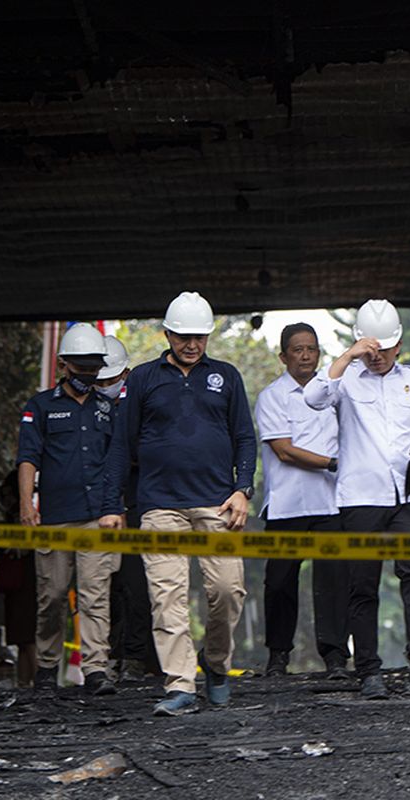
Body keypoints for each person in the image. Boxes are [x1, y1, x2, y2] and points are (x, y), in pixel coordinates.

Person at [100, 292, 255, 716]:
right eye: (184, 336)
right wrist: (113, 504)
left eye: (199, 337)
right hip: (159, 505)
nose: (192, 344)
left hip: (218, 503)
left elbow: (244, 437)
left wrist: (243, 488)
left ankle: (217, 665)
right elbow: (120, 445)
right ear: (167, 334)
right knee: (167, 596)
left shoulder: (226, 376)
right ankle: (181, 684)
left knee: (227, 590)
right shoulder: (145, 379)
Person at [304, 299, 410, 699]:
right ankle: (369, 670)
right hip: (361, 497)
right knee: (362, 584)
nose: (378, 357)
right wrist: (348, 356)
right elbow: (314, 397)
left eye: (385, 349)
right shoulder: (347, 379)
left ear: (399, 344)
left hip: (408, 495)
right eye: (371, 349)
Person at [16, 322, 119, 696]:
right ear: (63, 365)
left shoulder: (108, 410)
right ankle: (47, 667)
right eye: (80, 367)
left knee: (95, 595)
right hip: (55, 517)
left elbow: (115, 463)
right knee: (53, 595)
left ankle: (95, 670)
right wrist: (27, 504)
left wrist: (115, 509)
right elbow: (27, 458)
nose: (87, 375)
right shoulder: (40, 407)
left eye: (93, 367)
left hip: (97, 517)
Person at [255, 323, 350, 679]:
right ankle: (278, 656)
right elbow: (285, 451)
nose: (306, 355)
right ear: (283, 356)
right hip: (286, 504)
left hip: (331, 503)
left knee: (335, 581)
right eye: (297, 349)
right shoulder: (272, 396)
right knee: (279, 582)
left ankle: (337, 656)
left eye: (311, 349)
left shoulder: (336, 393)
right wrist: (333, 463)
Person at [95, 335, 161, 682]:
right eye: (101, 381)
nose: (106, 387)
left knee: (138, 585)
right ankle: (111, 656)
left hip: (136, 504)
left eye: (112, 379)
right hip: (97, 508)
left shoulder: (142, 406)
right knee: (106, 588)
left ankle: (137, 658)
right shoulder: (87, 410)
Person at [0, 469, 37, 687]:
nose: (7, 500)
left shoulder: (30, 517)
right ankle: (24, 682)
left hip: (27, 583)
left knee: (28, 636)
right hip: (15, 586)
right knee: (21, 638)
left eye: (9, 494)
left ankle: (37, 680)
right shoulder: (10, 519)